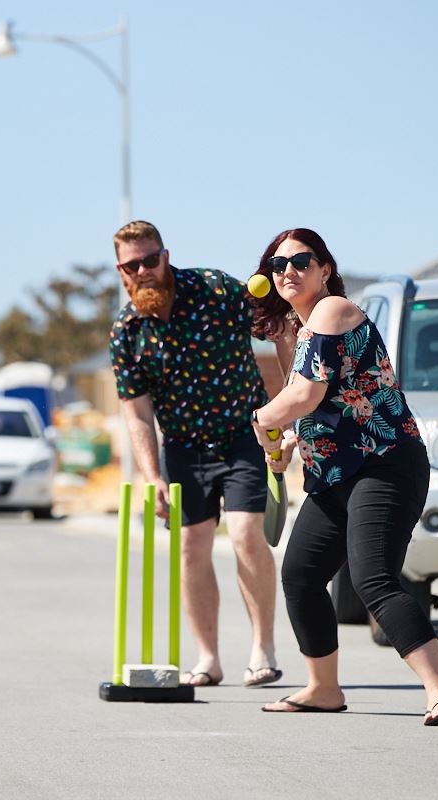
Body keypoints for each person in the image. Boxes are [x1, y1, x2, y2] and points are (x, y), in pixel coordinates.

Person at [248, 228, 438, 725]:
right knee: (302, 576)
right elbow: (318, 407)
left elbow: (304, 395)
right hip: (335, 477)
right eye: (277, 265)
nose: (287, 271)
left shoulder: (332, 310)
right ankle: (323, 689)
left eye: (301, 262)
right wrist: (289, 442)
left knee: (373, 577)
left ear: (325, 269)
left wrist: (263, 419)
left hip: (385, 465)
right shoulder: (301, 329)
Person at [108, 220, 281, 688]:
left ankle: (262, 648)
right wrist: (151, 474)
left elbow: (277, 327)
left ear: (165, 255)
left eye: (150, 258)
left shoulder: (215, 289)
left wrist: (288, 410)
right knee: (191, 549)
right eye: (132, 264)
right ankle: (208, 658)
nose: (143, 270)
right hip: (184, 448)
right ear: (121, 271)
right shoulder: (127, 332)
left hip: (243, 434)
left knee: (246, 534)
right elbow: (138, 415)